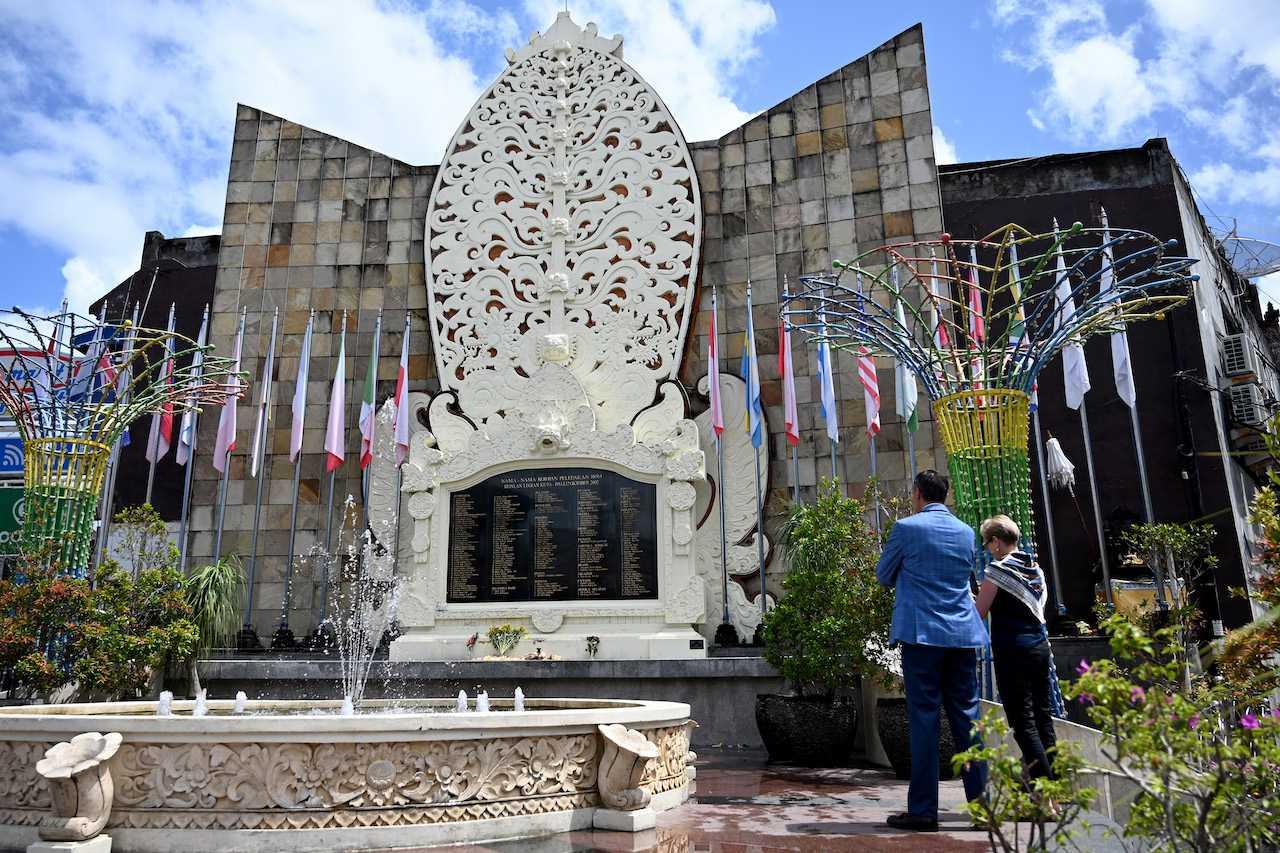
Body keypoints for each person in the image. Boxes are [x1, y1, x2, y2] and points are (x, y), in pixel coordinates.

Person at [876, 470, 988, 832]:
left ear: (918, 493)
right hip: (961, 634)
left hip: (922, 635)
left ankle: (924, 810)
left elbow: (883, 575)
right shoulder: (966, 531)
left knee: (923, 721)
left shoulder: (907, 529)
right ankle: (983, 807)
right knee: (968, 719)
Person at [975, 514, 1058, 785]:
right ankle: (1053, 784)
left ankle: (1045, 794)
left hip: (1013, 652)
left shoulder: (997, 571)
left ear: (997, 542)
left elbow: (980, 611)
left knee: (1023, 723)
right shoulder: (1034, 569)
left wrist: (969, 596)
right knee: (1043, 717)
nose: (987, 548)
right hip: (1039, 648)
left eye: (987, 542)